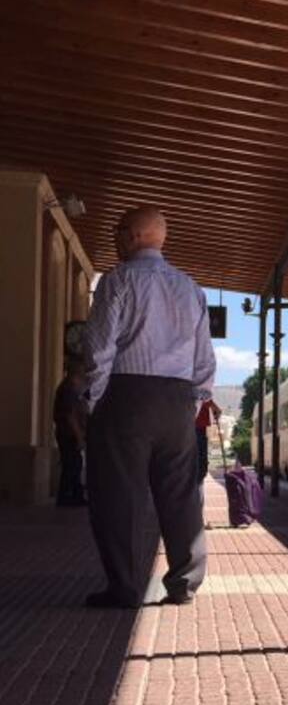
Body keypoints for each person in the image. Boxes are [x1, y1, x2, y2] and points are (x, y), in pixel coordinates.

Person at [82, 206, 216, 609]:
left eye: (117, 230)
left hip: (126, 394)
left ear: (132, 236)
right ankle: (184, 584)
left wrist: (94, 398)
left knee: (117, 493)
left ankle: (124, 587)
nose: (113, 237)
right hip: (177, 399)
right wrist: (193, 401)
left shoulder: (118, 279)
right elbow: (204, 358)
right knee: (179, 493)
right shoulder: (191, 288)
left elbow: (99, 347)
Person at [53, 355, 89, 507]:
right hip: (68, 433)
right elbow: (69, 415)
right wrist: (79, 436)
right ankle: (66, 496)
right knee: (71, 465)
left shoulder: (73, 387)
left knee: (75, 463)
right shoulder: (68, 388)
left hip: (69, 433)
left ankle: (75, 495)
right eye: (82, 367)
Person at [194, 398, 222, 486]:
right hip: (195, 428)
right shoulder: (197, 388)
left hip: (194, 427)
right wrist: (214, 407)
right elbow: (202, 394)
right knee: (199, 468)